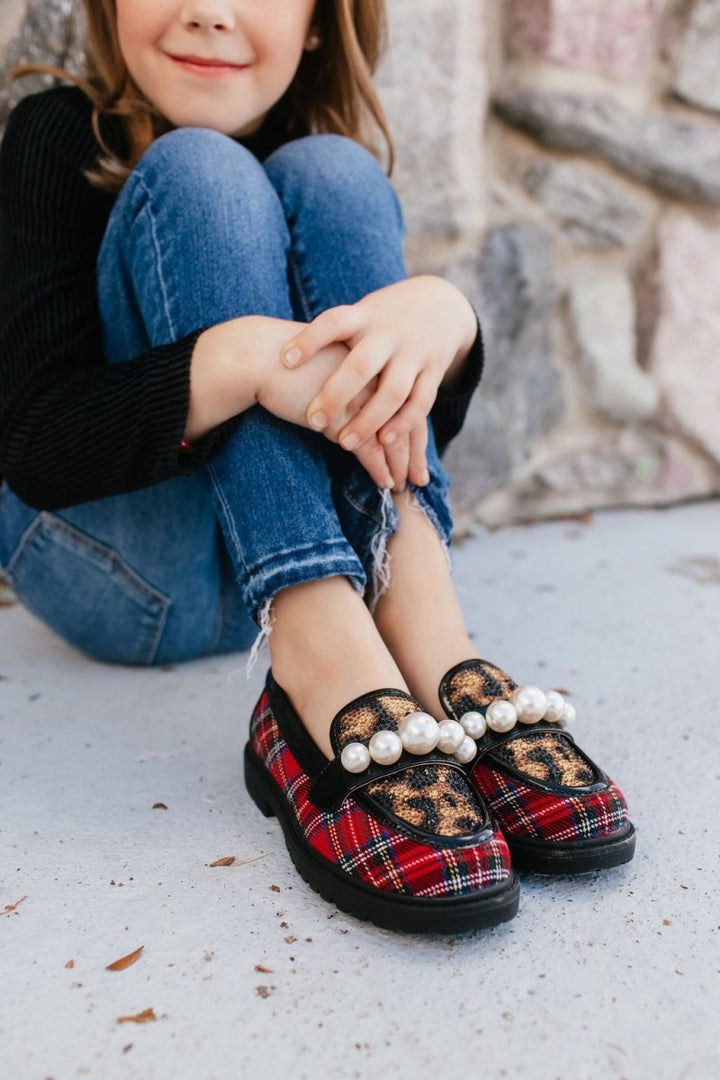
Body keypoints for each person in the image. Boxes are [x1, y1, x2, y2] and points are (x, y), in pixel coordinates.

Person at [0, 0, 634, 934]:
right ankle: (320, 653)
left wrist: (448, 322)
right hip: (127, 573)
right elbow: (34, 447)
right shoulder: (55, 133)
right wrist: (243, 360)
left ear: (316, 21)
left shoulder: (318, 175)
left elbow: (376, 426)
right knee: (200, 170)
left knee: (336, 172)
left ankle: (425, 623)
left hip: (322, 560)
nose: (208, 13)